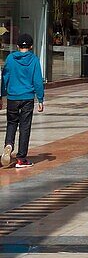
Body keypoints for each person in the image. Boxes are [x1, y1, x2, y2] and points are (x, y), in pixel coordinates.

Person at [1, 33, 45, 169]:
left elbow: (5, 77)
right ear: (31, 46)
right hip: (27, 97)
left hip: (12, 97)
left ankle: (9, 144)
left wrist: (2, 95)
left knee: (11, 123)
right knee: (25, 127)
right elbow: (37, 81)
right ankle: (21, 158)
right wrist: (41, 99)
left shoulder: (10, 58)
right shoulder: (34, 60)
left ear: (17, 46)